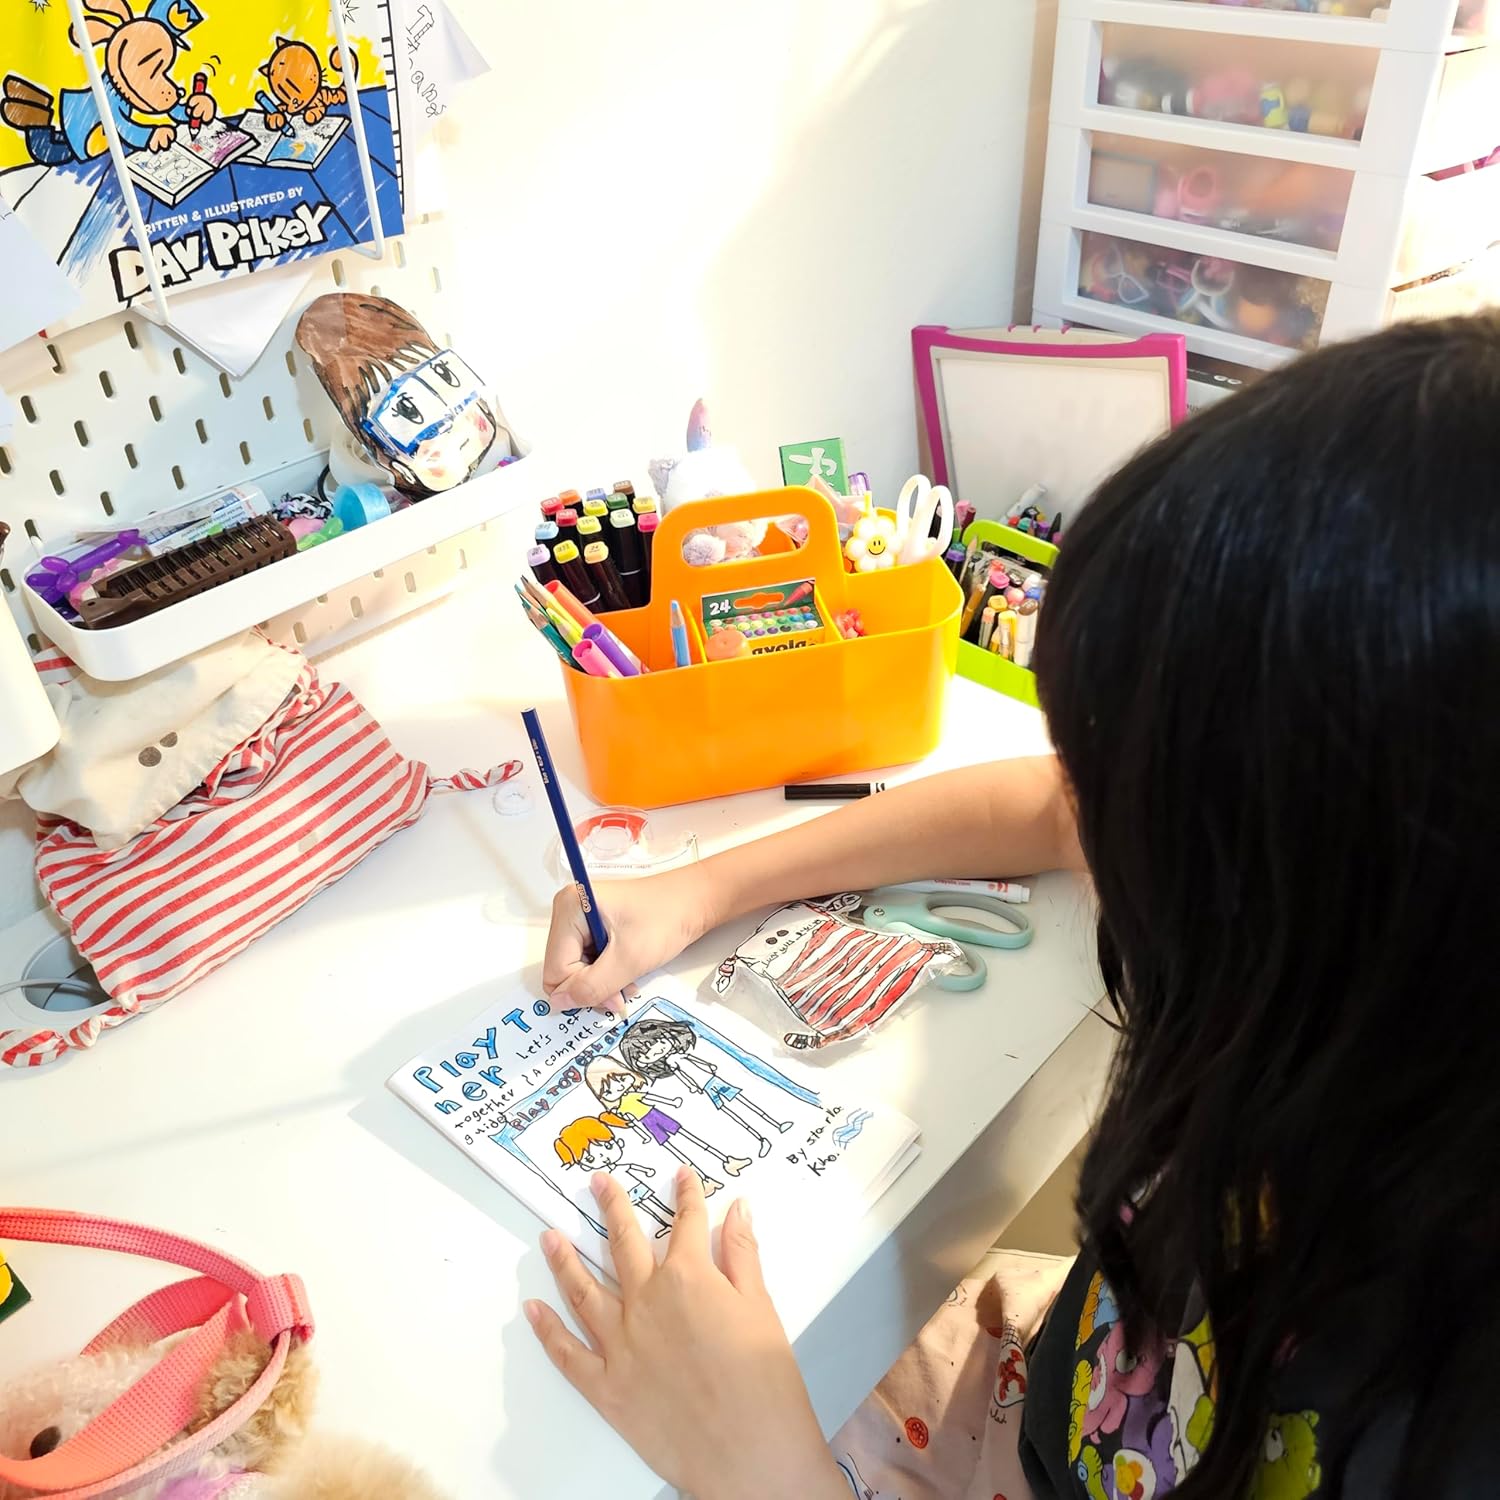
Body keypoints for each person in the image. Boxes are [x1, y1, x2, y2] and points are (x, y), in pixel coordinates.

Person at [522, 315, 1498, 1500]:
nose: (1092, 822)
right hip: (1064, 1396)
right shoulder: (1351, 963)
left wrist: (768, 1471)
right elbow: (1045, 806)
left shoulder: (1441, 1416)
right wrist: (703, 887)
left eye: (1138, 808)